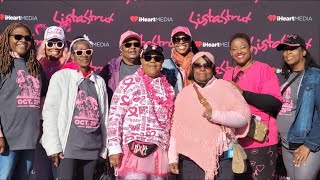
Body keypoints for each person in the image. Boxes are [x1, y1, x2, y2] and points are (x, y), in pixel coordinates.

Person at [168, 51, 251, 179]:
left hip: (222, 158)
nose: (202, 69)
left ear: (213, 68)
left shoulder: (226, 87)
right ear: (192, 68)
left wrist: (216, 115)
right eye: (197, 65)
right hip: (191, 161)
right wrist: (172, 158)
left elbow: (243, 118)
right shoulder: (184, 95)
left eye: (206, 65)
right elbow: (176, 128)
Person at [41, 35, 108, 180]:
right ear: (72, 56)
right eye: (79, 52)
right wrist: (53, 146)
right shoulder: (61, 77)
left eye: (87, 52)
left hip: (92, 148)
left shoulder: (99, 82)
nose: (84, 55)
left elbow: (104, 117)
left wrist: (104, 149)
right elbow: (50, 112)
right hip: (69, 149)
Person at [107, 45, 175, 180]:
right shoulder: (129, 82)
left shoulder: (169, 88)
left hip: (159, 151)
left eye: (157, 58)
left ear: (162, 62)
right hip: (134, 149)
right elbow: (115, 116)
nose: (152, 61)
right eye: (148, 57)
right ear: (142, 60)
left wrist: (172, 155)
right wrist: (114, 148)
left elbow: (172, 124)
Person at [222, 33, 283, 179]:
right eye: (234, 49)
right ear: (230, 52)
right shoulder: (227, 75)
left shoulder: (264, 69)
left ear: (251, 49)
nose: (239, 51)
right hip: (235, 144)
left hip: (260, 141)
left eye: (243, 47)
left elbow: (274, 103)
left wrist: (243, 93)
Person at [0, 22, 48, 180]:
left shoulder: (35, 67)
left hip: (29, 139)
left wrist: (40, 123)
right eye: (18, 37)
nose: (23, 40)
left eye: (28, 38)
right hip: (7, 140)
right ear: (8, 39)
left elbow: (43, 98)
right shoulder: (2, 65)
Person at [276, 34, 320, 179]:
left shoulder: (314, 76)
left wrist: (309, 145)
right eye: (285, 49)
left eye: (293, 48)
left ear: (304, 51)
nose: (287, 52)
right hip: (286, 144)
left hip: (304, 145)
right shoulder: (289, 75)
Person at [30, 25, 69, 180]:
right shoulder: (34, 66)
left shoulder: (71, 67)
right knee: (41, 173)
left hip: (60, 127)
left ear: (64, 46)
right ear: (44, 45)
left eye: (59, 43)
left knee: (60, 173)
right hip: (38, 127)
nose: (55, 47)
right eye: (50, 43)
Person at [99, 30, 142, 103]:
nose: (132, 47)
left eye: (136, 44)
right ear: (120, 48)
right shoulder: (110, 68)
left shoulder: (148, 66)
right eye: (128, 45)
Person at [162, 26, 199, 92]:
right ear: (173, 43)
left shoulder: (198, 62)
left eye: (185, 39)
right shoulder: (165, 64)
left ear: (190, 41)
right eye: (176, 39)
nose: (181, 42)